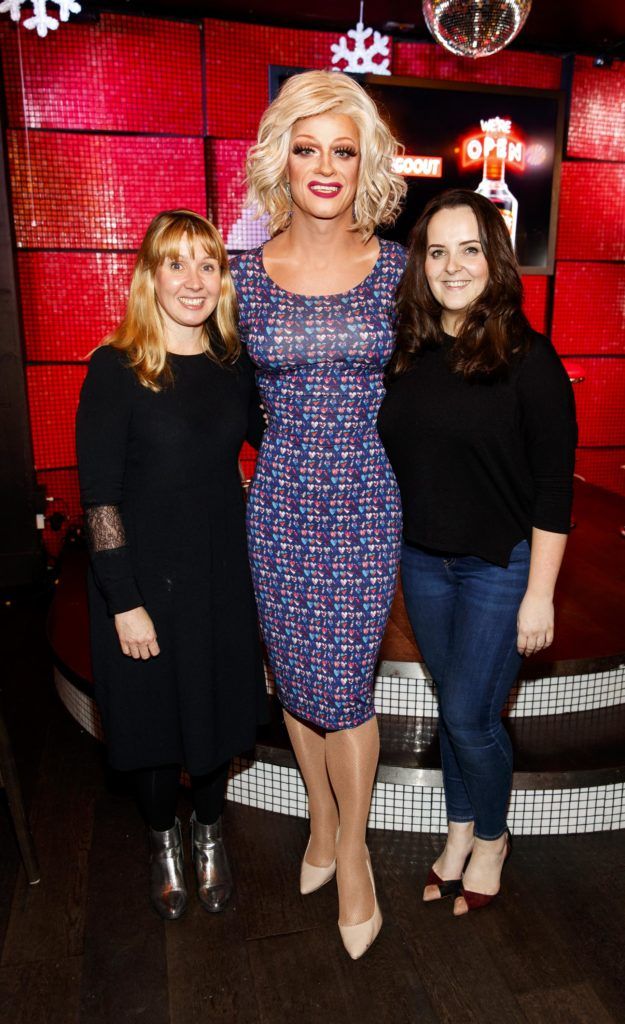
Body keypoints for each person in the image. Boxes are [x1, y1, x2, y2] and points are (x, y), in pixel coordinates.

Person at [230, 70, 406, 958]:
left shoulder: (402, 269)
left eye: (343, 149)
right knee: (295, 678)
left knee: (345, 686)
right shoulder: (239, 277)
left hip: (365, 503)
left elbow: (453, 384)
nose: (325, 166)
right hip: (280, 505)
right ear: (283, 160)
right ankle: (318, 814)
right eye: (308, 149)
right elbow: (194, 395)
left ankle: (356, 853)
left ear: (364, 160)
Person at [378, 189, 577, 914]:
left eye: (468, 249)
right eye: (436, 251)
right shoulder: (406, 353)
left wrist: (538, 595)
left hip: (500, 567)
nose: (451, 266)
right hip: (423, 564)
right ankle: (458, 830)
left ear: (494, 260)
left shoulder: (530, 361)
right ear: (420, 264)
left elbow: (554, 493)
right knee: (462, 711)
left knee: (465, 716)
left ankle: (491, 836)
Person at [76, 210, 267, 920]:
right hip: (141, 585)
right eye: (176, 263)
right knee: (154, 729)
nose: (193, 280)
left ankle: (210, 832)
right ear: (149, 276)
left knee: (214, 716)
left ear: (223, 279)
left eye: (207, 264)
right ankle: (163, 841)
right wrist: (123, 599)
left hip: (219, 577)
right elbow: (99, 499)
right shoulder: (115, 367)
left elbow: (277, 443)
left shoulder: (233, 364)